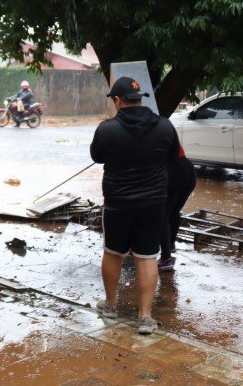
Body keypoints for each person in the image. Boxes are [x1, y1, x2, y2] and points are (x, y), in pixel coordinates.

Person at [89, 76, 179, 335]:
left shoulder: (106, 129)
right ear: (140, 99)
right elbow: (172, 157)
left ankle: (110, 305)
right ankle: (145, 316)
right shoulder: (165, 127)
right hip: (153, 204)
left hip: (118, 204)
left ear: (117, 100)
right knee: (147, 257)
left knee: (113, 253)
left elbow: (96, 157)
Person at [158, 144, 197, 271]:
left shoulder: (142, 131)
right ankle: (170, 244)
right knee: (174, 211)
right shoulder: (165, 126)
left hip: (172, 170)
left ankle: (166, 259)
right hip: (188, 169)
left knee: (162, 216)